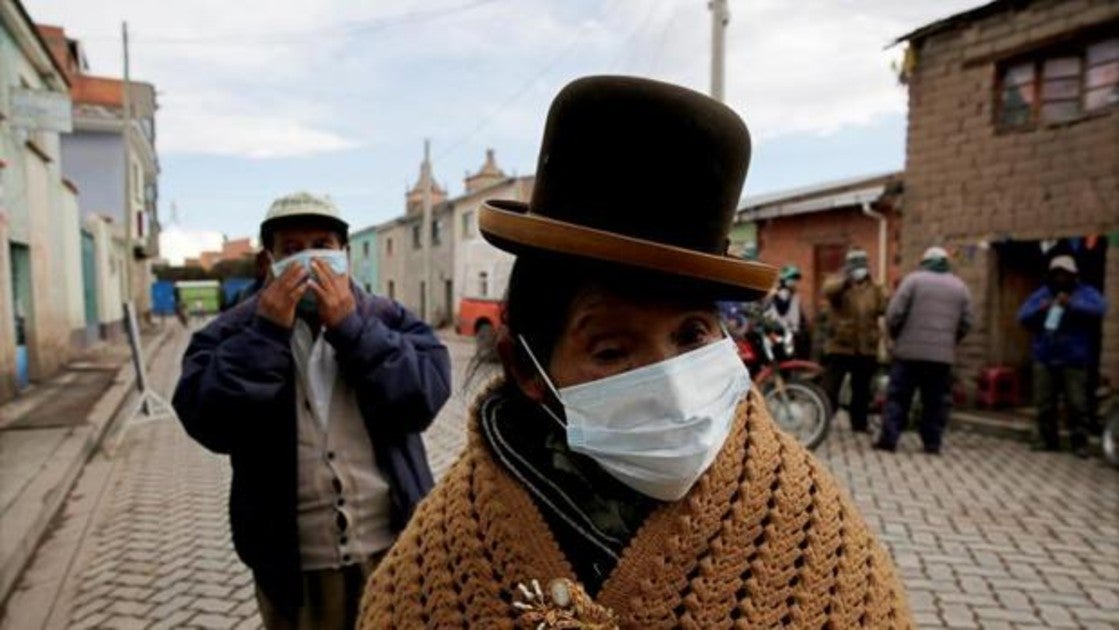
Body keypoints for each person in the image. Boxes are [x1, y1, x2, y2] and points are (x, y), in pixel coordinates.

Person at [358, 76, 910, 628]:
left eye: (692, 335)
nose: (671, 383)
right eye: (612, 350)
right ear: (526, 366)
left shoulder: (810, 529)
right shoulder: (440, 559)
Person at [172, 192, 451, 629]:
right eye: (292, 249)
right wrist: (266, 335)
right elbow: (209, 421)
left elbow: (421, 400)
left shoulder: (389, 319)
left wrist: (352, 329)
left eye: (321, 244)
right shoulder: (231, 333)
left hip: (392, 550)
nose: (308, 260)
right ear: (269, 261)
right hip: (294, 567)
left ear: (343, 253)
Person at [876, 246, 972, 454]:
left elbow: (894, 314)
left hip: (908, 354)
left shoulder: (913, 281)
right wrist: (949, 341)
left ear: (925, 261)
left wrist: (896, 336)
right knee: (935, 401)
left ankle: (889, 439)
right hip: (941, 358)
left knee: (899, 397)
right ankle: (932, 442)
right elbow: (966, 322)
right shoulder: (959, 287)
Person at [1017, 255, 1107, 457]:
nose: (1060, 277)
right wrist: (1043, 308)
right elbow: (1022, 316)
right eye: (1056, 273)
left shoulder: (1086, 292)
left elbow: (1099, 308)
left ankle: (1079, 443)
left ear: (1073, 275)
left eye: (1064, 273)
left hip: (1073, 357)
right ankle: (1047, 441)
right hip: (1045, 356)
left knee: (1076, 404)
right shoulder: (1043, 294)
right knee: (1044, 403)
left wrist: (1071, 304)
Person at [820, 249, 887, 433]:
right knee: (831, 387)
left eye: (862, 266)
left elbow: (883, 308)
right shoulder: (839, 284)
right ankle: (824, 419)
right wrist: (845, 280)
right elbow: (827, 290)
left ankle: (860, 423)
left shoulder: (875, 288)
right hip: (841, 345)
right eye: (855, 266)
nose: (860, 271)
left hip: (866, 346)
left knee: (862, 389)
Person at [765, 264, 810, 358]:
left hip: (793, 331)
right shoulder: (779, 293)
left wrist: (803, 324)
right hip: (780, 331)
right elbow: (782, 310)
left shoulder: (792, 294)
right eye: (792, 278)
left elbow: (798, 313)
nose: (794, 282)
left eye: (795, 279)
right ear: (784, 279)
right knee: (785, 359)